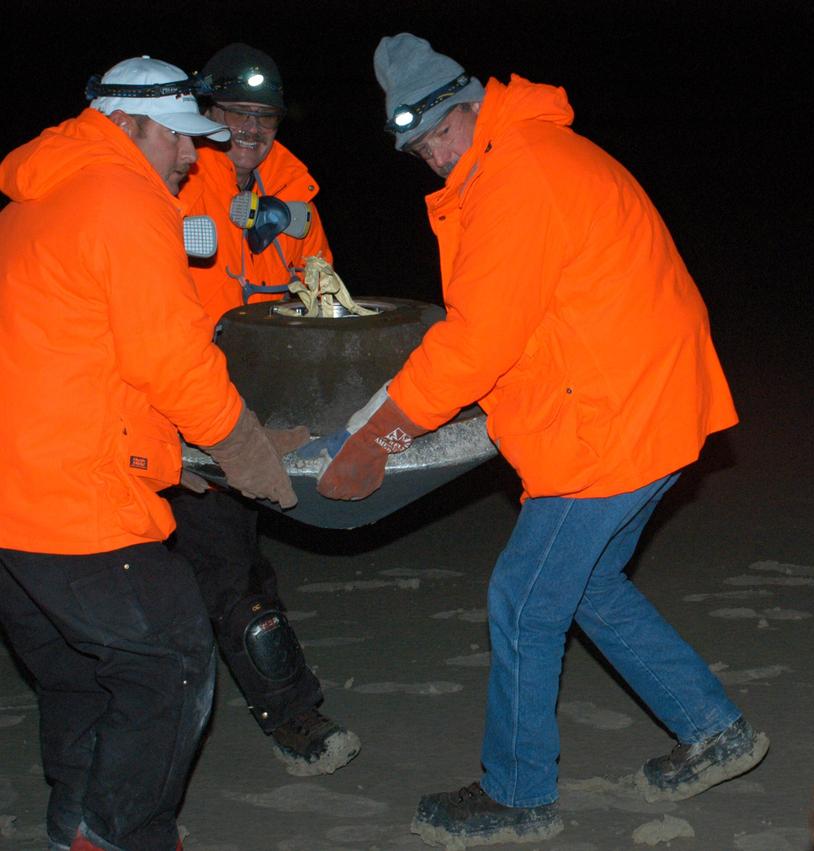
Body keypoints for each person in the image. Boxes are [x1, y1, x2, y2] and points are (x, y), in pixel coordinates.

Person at [316, 33, 769, 848]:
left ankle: (518, 793)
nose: (433, 158)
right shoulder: (519, 155)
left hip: (614, 416)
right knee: (586, 585)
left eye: (439, 134)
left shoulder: (518, 174)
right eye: (417, 150)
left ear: (469, 106)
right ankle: (714, 729)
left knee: (523, 596)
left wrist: (381, 433)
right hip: (647, 400)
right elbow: (517, 319)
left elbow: (480, 339)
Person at [0, 56, 302, 851]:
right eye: (179, 139)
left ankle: (73, 823)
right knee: (172, 658)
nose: (191, 156)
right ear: (129, 126)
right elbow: (170, 358)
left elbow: (75, 356)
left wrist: (172, 456)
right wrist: (242, 447)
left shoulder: (33, 199)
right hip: (78, 502)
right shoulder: (123, 197)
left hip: (15, 504)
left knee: (80, 675)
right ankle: (122, 834)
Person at [171, 41, 359, 777]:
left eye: (265, 116)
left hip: (263, 414)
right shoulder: (174, 183)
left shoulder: (296, 196)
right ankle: (293, 715)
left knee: (230, 565)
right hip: (186, 409)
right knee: (229, 572)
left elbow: (324, 305)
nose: (250, 128)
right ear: (206, 113)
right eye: (234, 112)